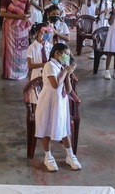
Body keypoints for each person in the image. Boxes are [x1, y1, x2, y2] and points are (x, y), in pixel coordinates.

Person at [34, 43, 81, 172]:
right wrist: (65, 71)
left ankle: (70, 155)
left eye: (68, 54)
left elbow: (69, 89)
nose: (68, 56)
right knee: (46, 128)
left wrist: (68, 73)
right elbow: (55, 84)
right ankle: (48, 156)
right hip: (48, 101)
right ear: (57, 53)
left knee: (63, 128)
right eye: (66, 53)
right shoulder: (49, 65)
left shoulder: (61, 66)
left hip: (60, 101)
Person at [0, 0, 32, 80]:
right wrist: (18, 17)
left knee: (21, 49)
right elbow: (3, 13)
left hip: (22, 28)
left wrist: (26, 15)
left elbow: (28, 12)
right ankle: (9, 72)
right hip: (9, 27)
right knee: (10, 50)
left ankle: (21, 71)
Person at [27, 23, 53, 105]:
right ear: (38, 32)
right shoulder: (31, 47)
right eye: (45, 32)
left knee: (48, 98)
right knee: (36, 98)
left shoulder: (50, 46)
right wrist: (44, 64)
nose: (47, 34)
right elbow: (30, 65)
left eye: (48, 32)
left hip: (49, 74)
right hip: (37, 74)